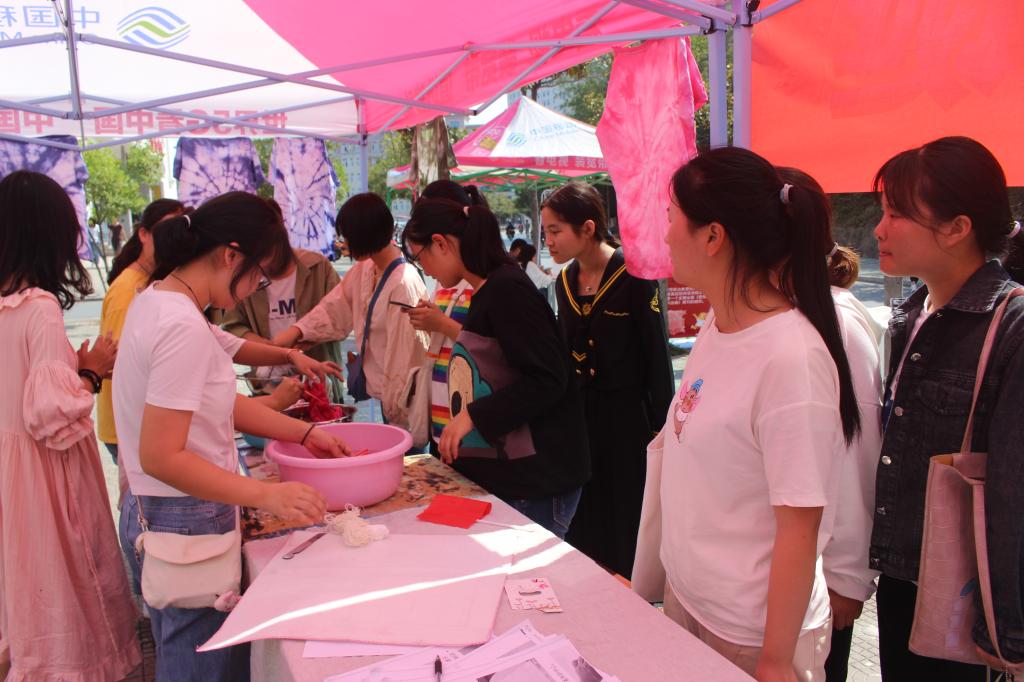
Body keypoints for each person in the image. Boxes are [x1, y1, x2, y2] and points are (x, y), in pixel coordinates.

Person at [634, 147, 862, 682]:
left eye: (671, 218)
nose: (665, 235)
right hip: (692, 600)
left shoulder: (790, 358)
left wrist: (776, 660)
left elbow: (799, 526)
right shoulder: (718, 325)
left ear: (713, 236)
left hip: (751, 634)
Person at [115, 191, 350, 680]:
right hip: (183, 515)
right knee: (197, 663)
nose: (252, 290)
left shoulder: (160, 300)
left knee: (194, 654)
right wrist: (266, 495)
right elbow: (161, 455)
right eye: (257, 276)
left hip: (165, 510)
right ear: (230, 256)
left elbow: (220, 398)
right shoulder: (179, 324)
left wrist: (305, 432)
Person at [867, 136, 1024, 679]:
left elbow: (1014, 488)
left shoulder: (1012, 326)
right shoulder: (910, 316)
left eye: (896, 214)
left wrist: (1007, 630)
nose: (879, 229)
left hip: (973, 599)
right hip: (904, 579)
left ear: (957, 228)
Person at [0, 170, 141, 680]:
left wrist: (72, 371)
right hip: (44, 477)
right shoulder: (38, 308)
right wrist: (91, 372)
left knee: (23, 585)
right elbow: (48, 415)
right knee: (65, 582)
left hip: (11, 474)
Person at [400, 197, 590, 538]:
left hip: (537, 481)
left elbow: (547, 378)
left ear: (440, 243)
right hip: (516, 477)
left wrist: (473, 416)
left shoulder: (507, 290)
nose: (424, 269)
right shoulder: (489, 288)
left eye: (419, 256)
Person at [778, 167, 885, 682]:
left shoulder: (835, 320)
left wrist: (847, 575)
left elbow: (858, 452)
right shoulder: (748, 315)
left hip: (819, 579)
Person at [541, 181, 674, 579]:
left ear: (587, 228)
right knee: (585, 511)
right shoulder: (564, 282)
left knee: (627, 510)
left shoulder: (634, 274)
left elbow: (656, 355)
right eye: (545, 231)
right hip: (582, 421)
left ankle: (631, 589)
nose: (548, 241)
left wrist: (662, 426)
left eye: (555, 230)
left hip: (628, 421)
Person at [272, 193, 428, 429]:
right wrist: (297, 332)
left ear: (364, 236)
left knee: (406, 446)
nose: (344, 244)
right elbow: (335, 307)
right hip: (387, 395)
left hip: (404, 401)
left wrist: (395, 408)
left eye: (348, 237)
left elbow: (405, 357)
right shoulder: (365, 269)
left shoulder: (403, 283)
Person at [222, 209, 345, 403]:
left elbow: (342, 317)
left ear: (282, 238)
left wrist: (303, 336)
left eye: (267, 254)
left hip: (319, 385)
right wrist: (270, 349)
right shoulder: (245, 275)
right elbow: (232, 327)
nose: (263, 265)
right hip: (269, 387)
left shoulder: (318, 267)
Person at [97, 198, 185, 463]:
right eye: (166, 228)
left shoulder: (152, 281)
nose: (173, 237)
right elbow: (114, 362)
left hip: (138, 423)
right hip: (126, 427)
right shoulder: (127, 288)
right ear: (144, 234)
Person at [402, 180, 480, 452]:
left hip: (470, 423)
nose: (424, 269)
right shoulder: (447, 277)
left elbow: (488, 349)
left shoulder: (482, 282)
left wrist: (441, 323)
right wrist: (430, 320)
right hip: (443, 415)